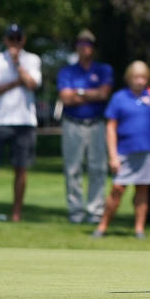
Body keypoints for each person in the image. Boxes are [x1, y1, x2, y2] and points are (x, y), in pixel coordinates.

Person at [92, 61, 150, 239]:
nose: (140, 81)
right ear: (129, 78)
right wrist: (113, 155)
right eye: (136, 77)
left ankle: (139, 229)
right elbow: (111, 128)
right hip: (125, 152)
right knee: (118, 189)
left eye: (143, 77)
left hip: (149, 151)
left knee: (143, 190)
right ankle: (102, 226)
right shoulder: (119, 98)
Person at [0, 24, 42, 223]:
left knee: (21, 168)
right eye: (11, 38)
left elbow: (32, 84)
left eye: (18, 38)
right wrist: (16, 82)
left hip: (25, 121)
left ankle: (16, 215)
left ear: (23, 39)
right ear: (5, 40)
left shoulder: (32, 60)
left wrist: (17, 64)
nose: (14, 42)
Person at [56, 29, 114, 224]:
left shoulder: (103, 69)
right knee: (73, 169)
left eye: (88, 44)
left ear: (93, 48)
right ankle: (76, 211)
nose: (84, 47)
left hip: (96, 123)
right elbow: (65, 98)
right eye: (80, 43)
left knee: (98, 168)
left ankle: (95, 211)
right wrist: (90, 94)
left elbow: (104, 94)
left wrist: (78, 93)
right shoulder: (67, 71)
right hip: (72, 124)